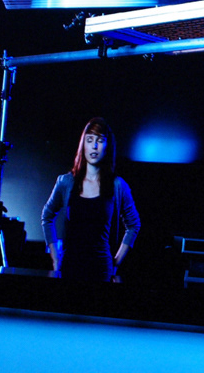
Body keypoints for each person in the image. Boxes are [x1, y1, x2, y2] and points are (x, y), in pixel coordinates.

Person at [41, 117, 140, 282]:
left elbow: (134, 224)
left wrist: (116, 262)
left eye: (100, 141)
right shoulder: (66, 182)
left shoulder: (118, 185)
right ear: (83, 145)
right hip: (69, 268)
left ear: (107, 146)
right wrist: (55, 258)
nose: (94, 146)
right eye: (89, 140)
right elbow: (47, 216)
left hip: (101, 270)